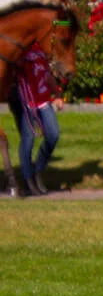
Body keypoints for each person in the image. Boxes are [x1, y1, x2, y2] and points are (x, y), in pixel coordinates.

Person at [6, 42, 64, 196]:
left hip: (43, 99)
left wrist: (57, 94)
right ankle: (27, 179)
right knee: (28, 138)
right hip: (26, 100)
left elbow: (46, 74)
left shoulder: (40, 49)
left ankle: (38, 169)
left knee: (53, 135)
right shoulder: (20, 47)